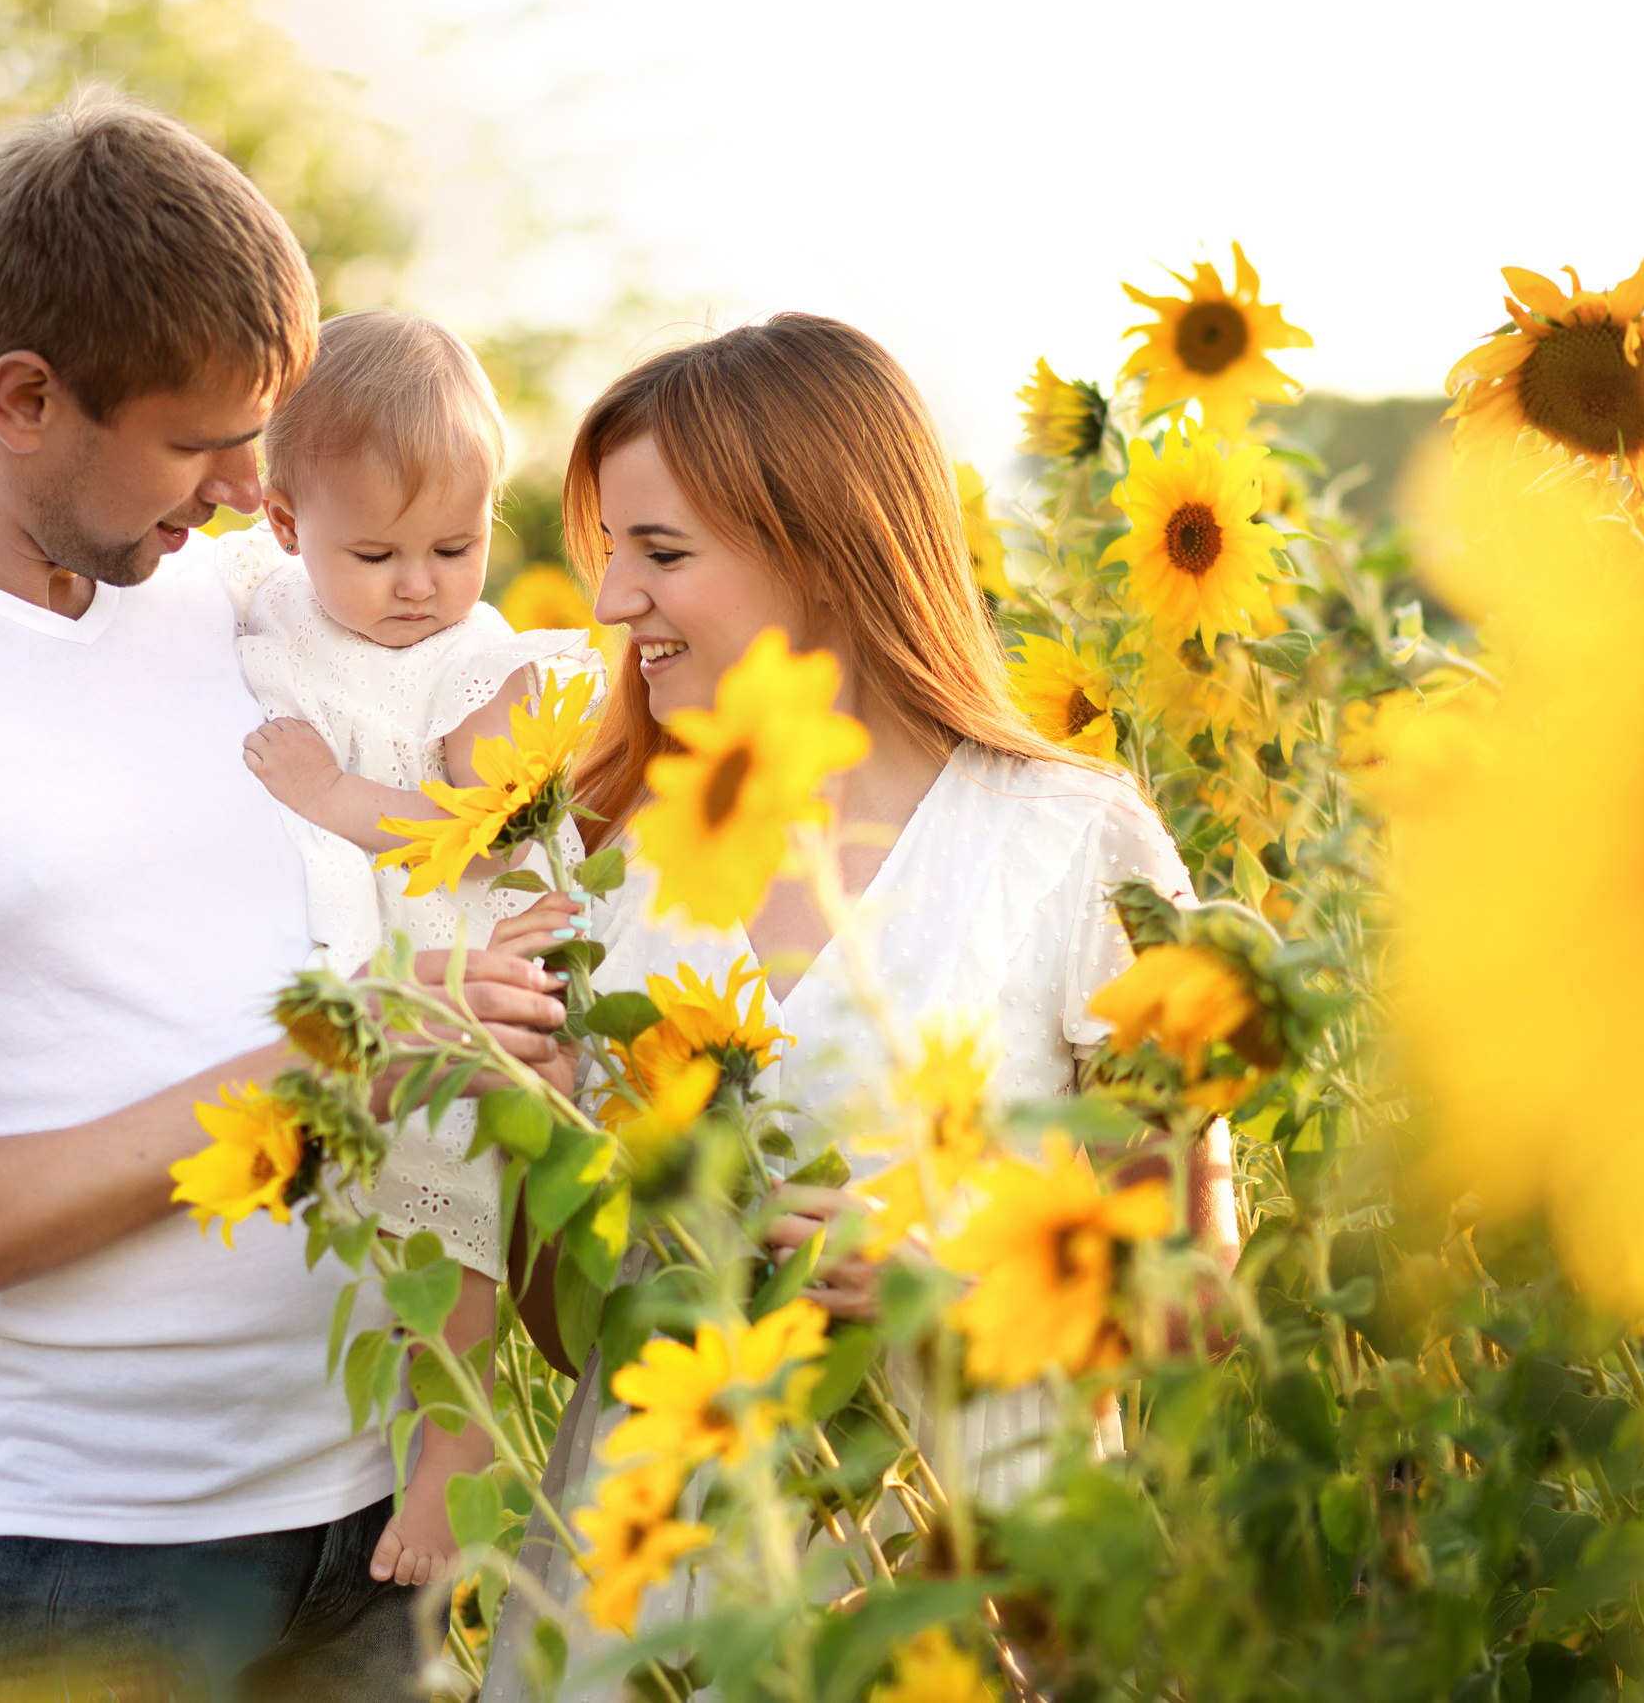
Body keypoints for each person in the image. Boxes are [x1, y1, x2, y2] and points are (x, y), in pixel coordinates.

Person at [0, 89, 566, 1701]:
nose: (238, 492)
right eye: (202, 443)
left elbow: (473, 731)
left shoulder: (231, 600)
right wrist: (348, 1052)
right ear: (23, 397)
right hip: (76, 1568)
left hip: (370, 1531)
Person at [480, 314, 1239, 1700]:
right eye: (610, 552)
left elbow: (1199, 1302)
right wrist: (512, 1093)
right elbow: (574, 1325)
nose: (609, 602)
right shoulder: (617, 867)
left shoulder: (1071, 844)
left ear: (822, 551)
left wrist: (928, 1302)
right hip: (646, 1606)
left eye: (660, 553)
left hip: (951, 1584)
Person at [232, 308, 598, 1590]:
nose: (419, 585)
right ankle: (363, 1430)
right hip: (348, 997)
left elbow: (479, 824)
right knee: (355, 1236)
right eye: (376, 552)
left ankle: (454, 1465)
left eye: (457, 543)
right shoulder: (266, 609)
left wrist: (337, 798)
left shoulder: (473, 656)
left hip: (463, 983)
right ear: (284, 526)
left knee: (451, 1231)